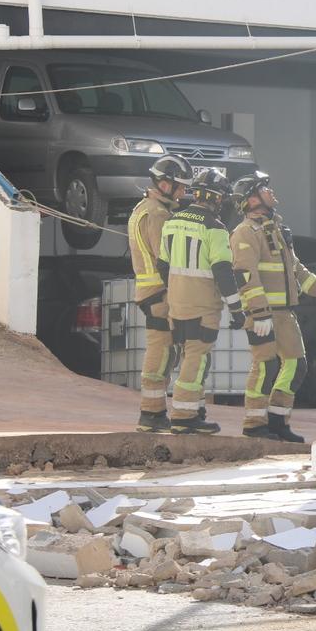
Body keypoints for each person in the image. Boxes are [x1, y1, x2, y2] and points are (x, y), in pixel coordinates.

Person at [229, 171, 316, 442]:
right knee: (265, 367)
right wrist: (259, 313)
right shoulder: (244, 233)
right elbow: (246, 276)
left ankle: (277, 421)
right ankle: (254, 424)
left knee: (296, 365)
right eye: (265, 188)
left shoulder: (276, 230)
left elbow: (298, 272)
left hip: (285, 314)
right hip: (263, 315)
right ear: (252, 200)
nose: (272, 192)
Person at [157, 169, 245, 434]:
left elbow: (163, 266)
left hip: (177, 304)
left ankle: (195, 411)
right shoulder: (215, 228)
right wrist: (237, 309)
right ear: (218, 199)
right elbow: (223, 273)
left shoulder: (172, 221)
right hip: (203, 306)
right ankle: (184, 417)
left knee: (189, 356)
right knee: (197, 359)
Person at [128, 155, 193, 433]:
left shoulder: (144, 207)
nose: (182, 192)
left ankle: (154, 412)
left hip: (151, 293)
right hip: (159, 295)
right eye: (179, 187)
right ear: (165, 184)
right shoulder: (158, 214)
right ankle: (151, 414)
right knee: (161, 352)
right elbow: (165, 260)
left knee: (164, 351)